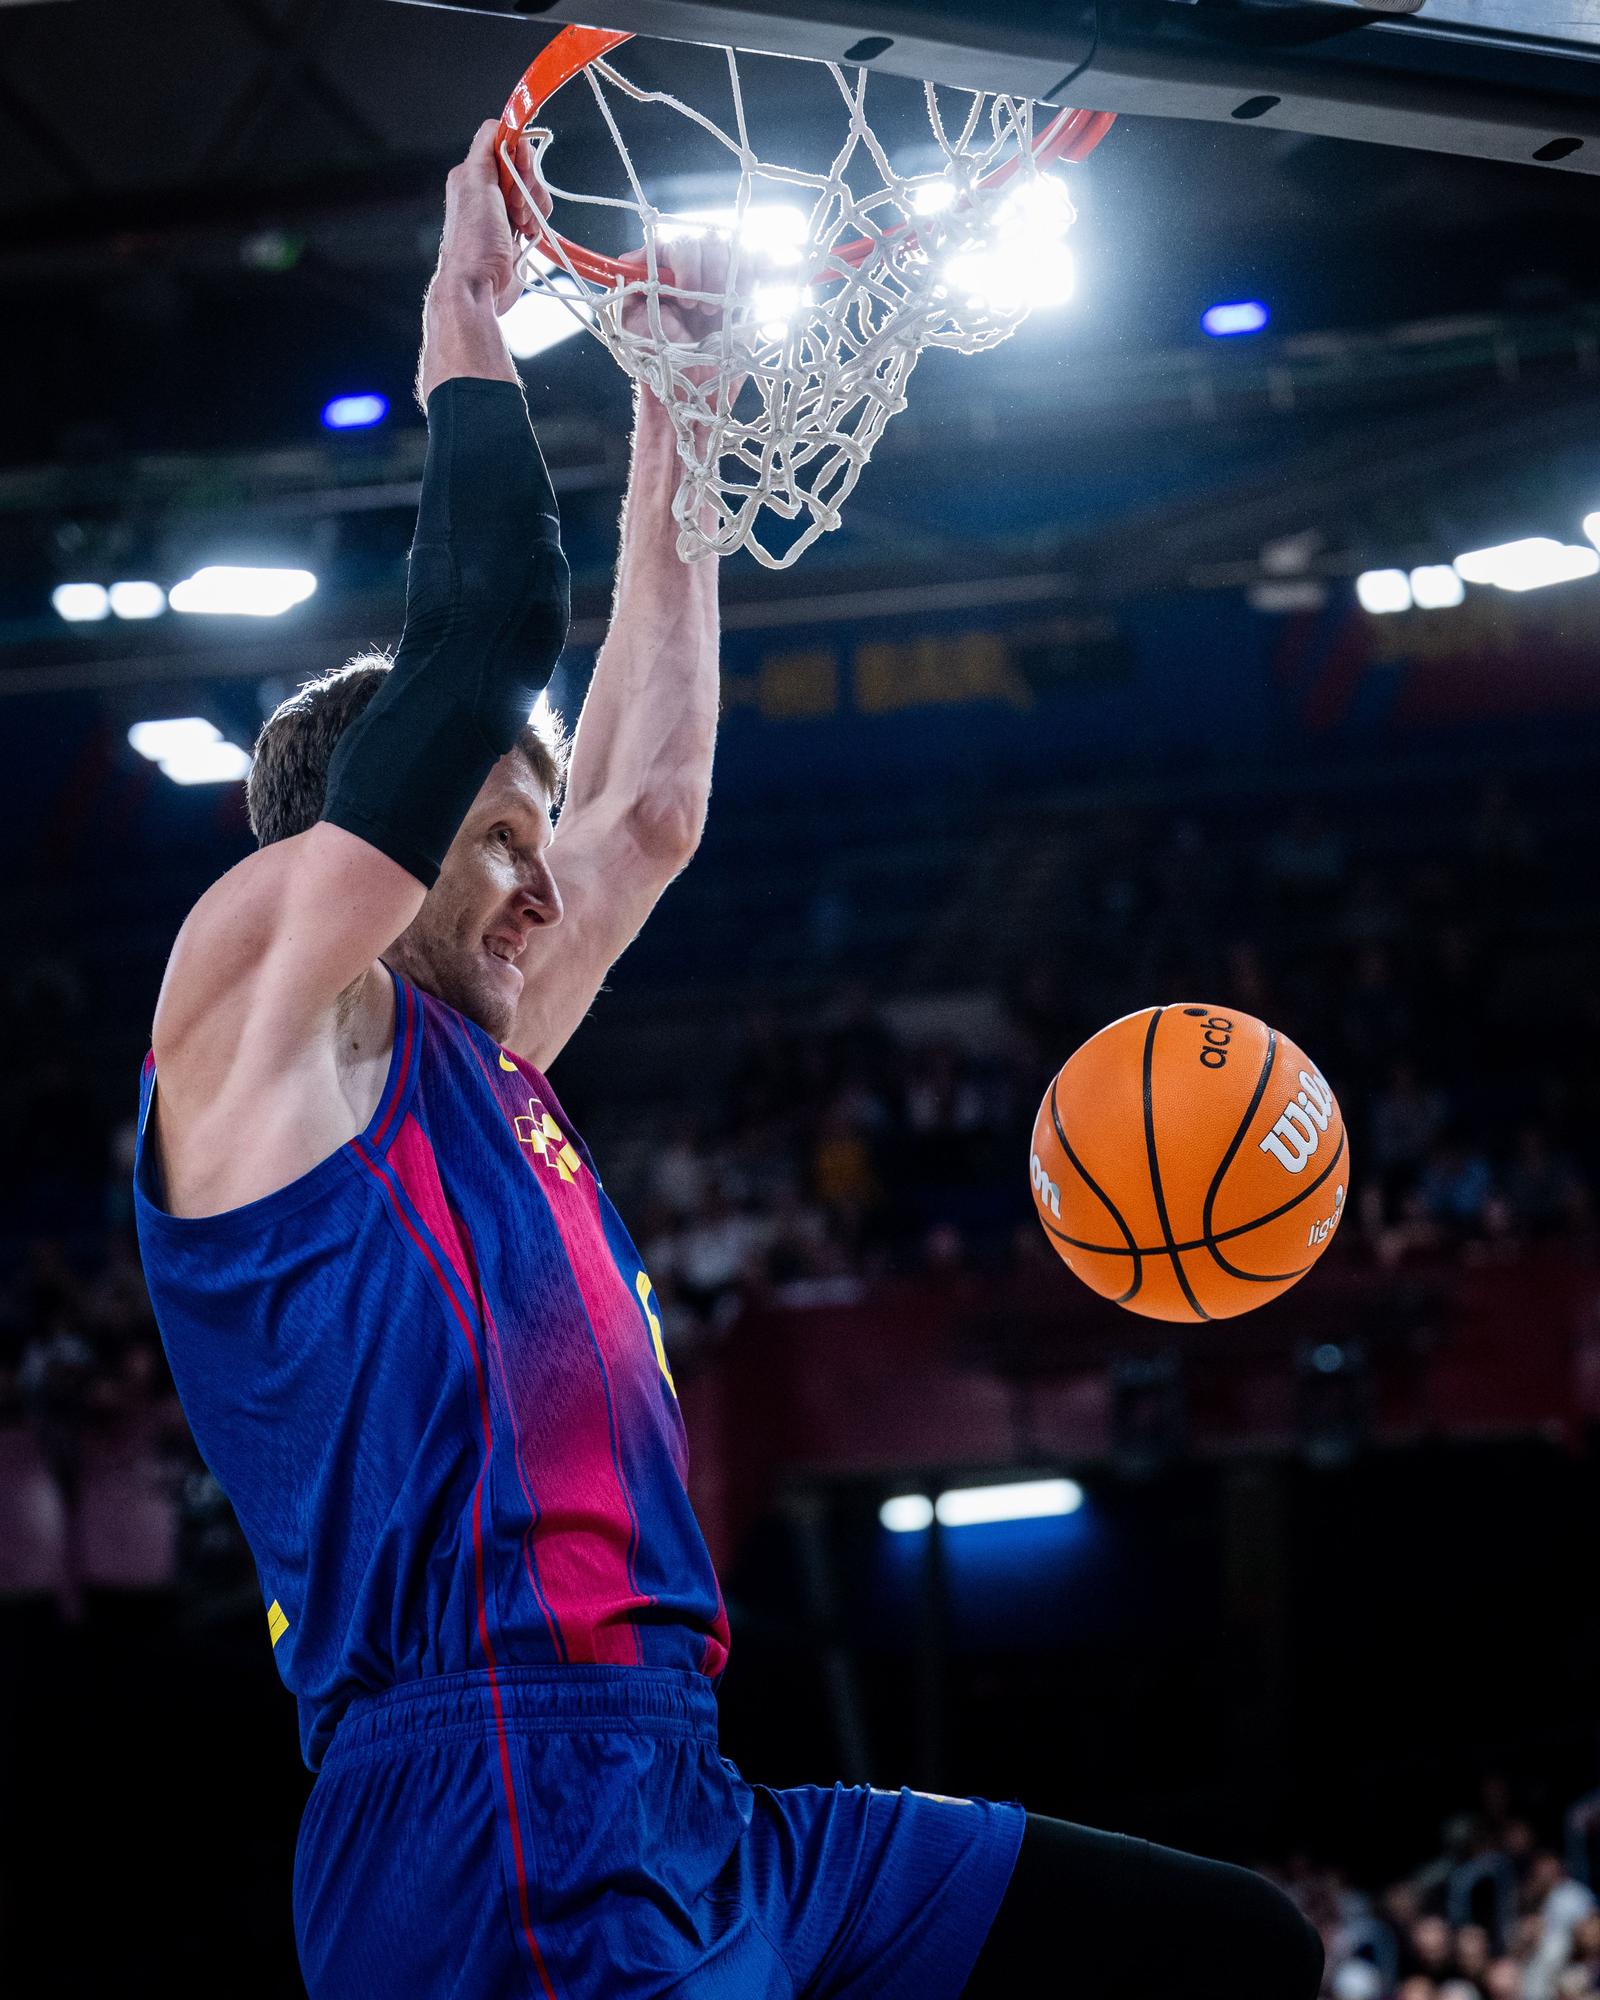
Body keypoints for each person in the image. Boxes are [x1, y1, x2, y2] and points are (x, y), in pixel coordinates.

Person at [131, 123, 1323, 2000]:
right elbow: (484, 639)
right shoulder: (259, 1021)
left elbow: (652, 806)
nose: (545, 884)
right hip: (479, 1809)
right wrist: (469, 317)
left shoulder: (473, 1053)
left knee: (1227, 1951)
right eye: (498, 837)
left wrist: (681, 413)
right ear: (358, 843)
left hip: (689, 1792)